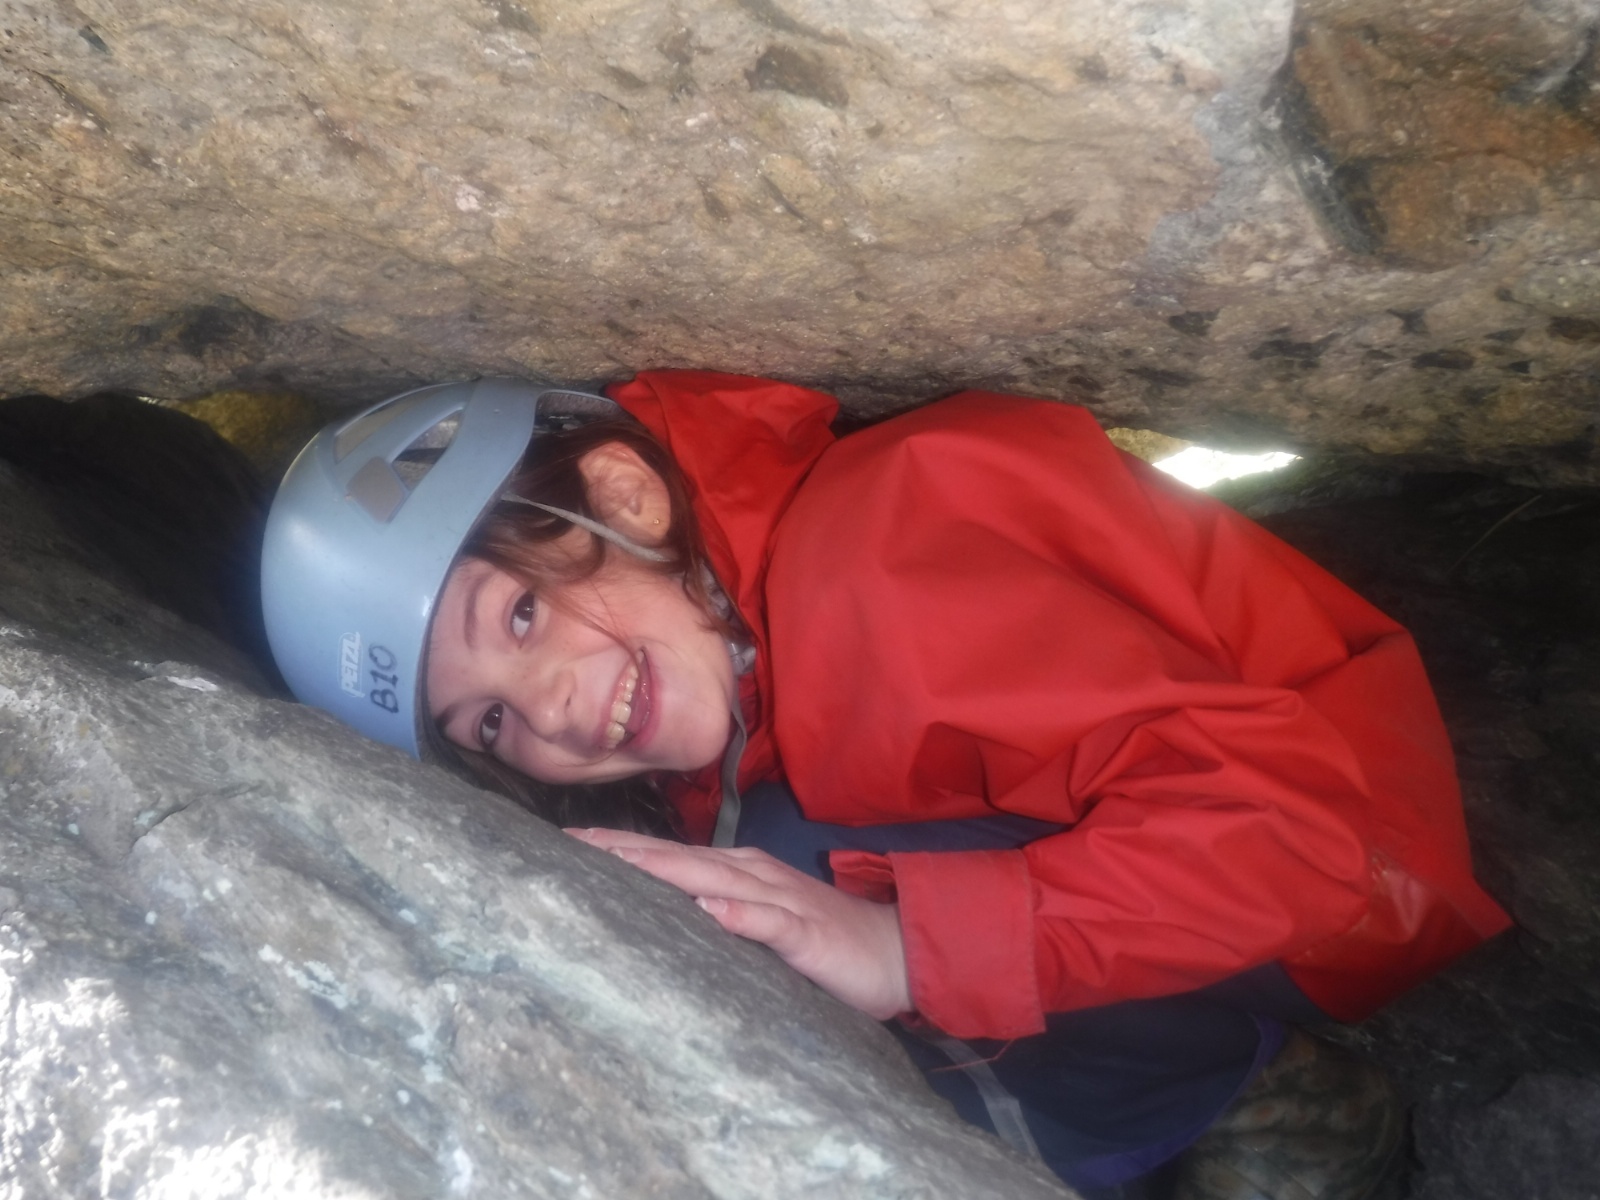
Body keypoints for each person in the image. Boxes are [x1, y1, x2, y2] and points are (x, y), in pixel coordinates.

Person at [261, 372, 1511, 1199]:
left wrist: (907, 948)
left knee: (783, 879)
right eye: (486, 721)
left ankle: (1268, 1101)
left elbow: (1302, 832)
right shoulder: (733, 651)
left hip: (1347, 884)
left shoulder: (885, 564)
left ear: (623, 498)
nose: (545, 711)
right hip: (1245, 874)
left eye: (520, 615)